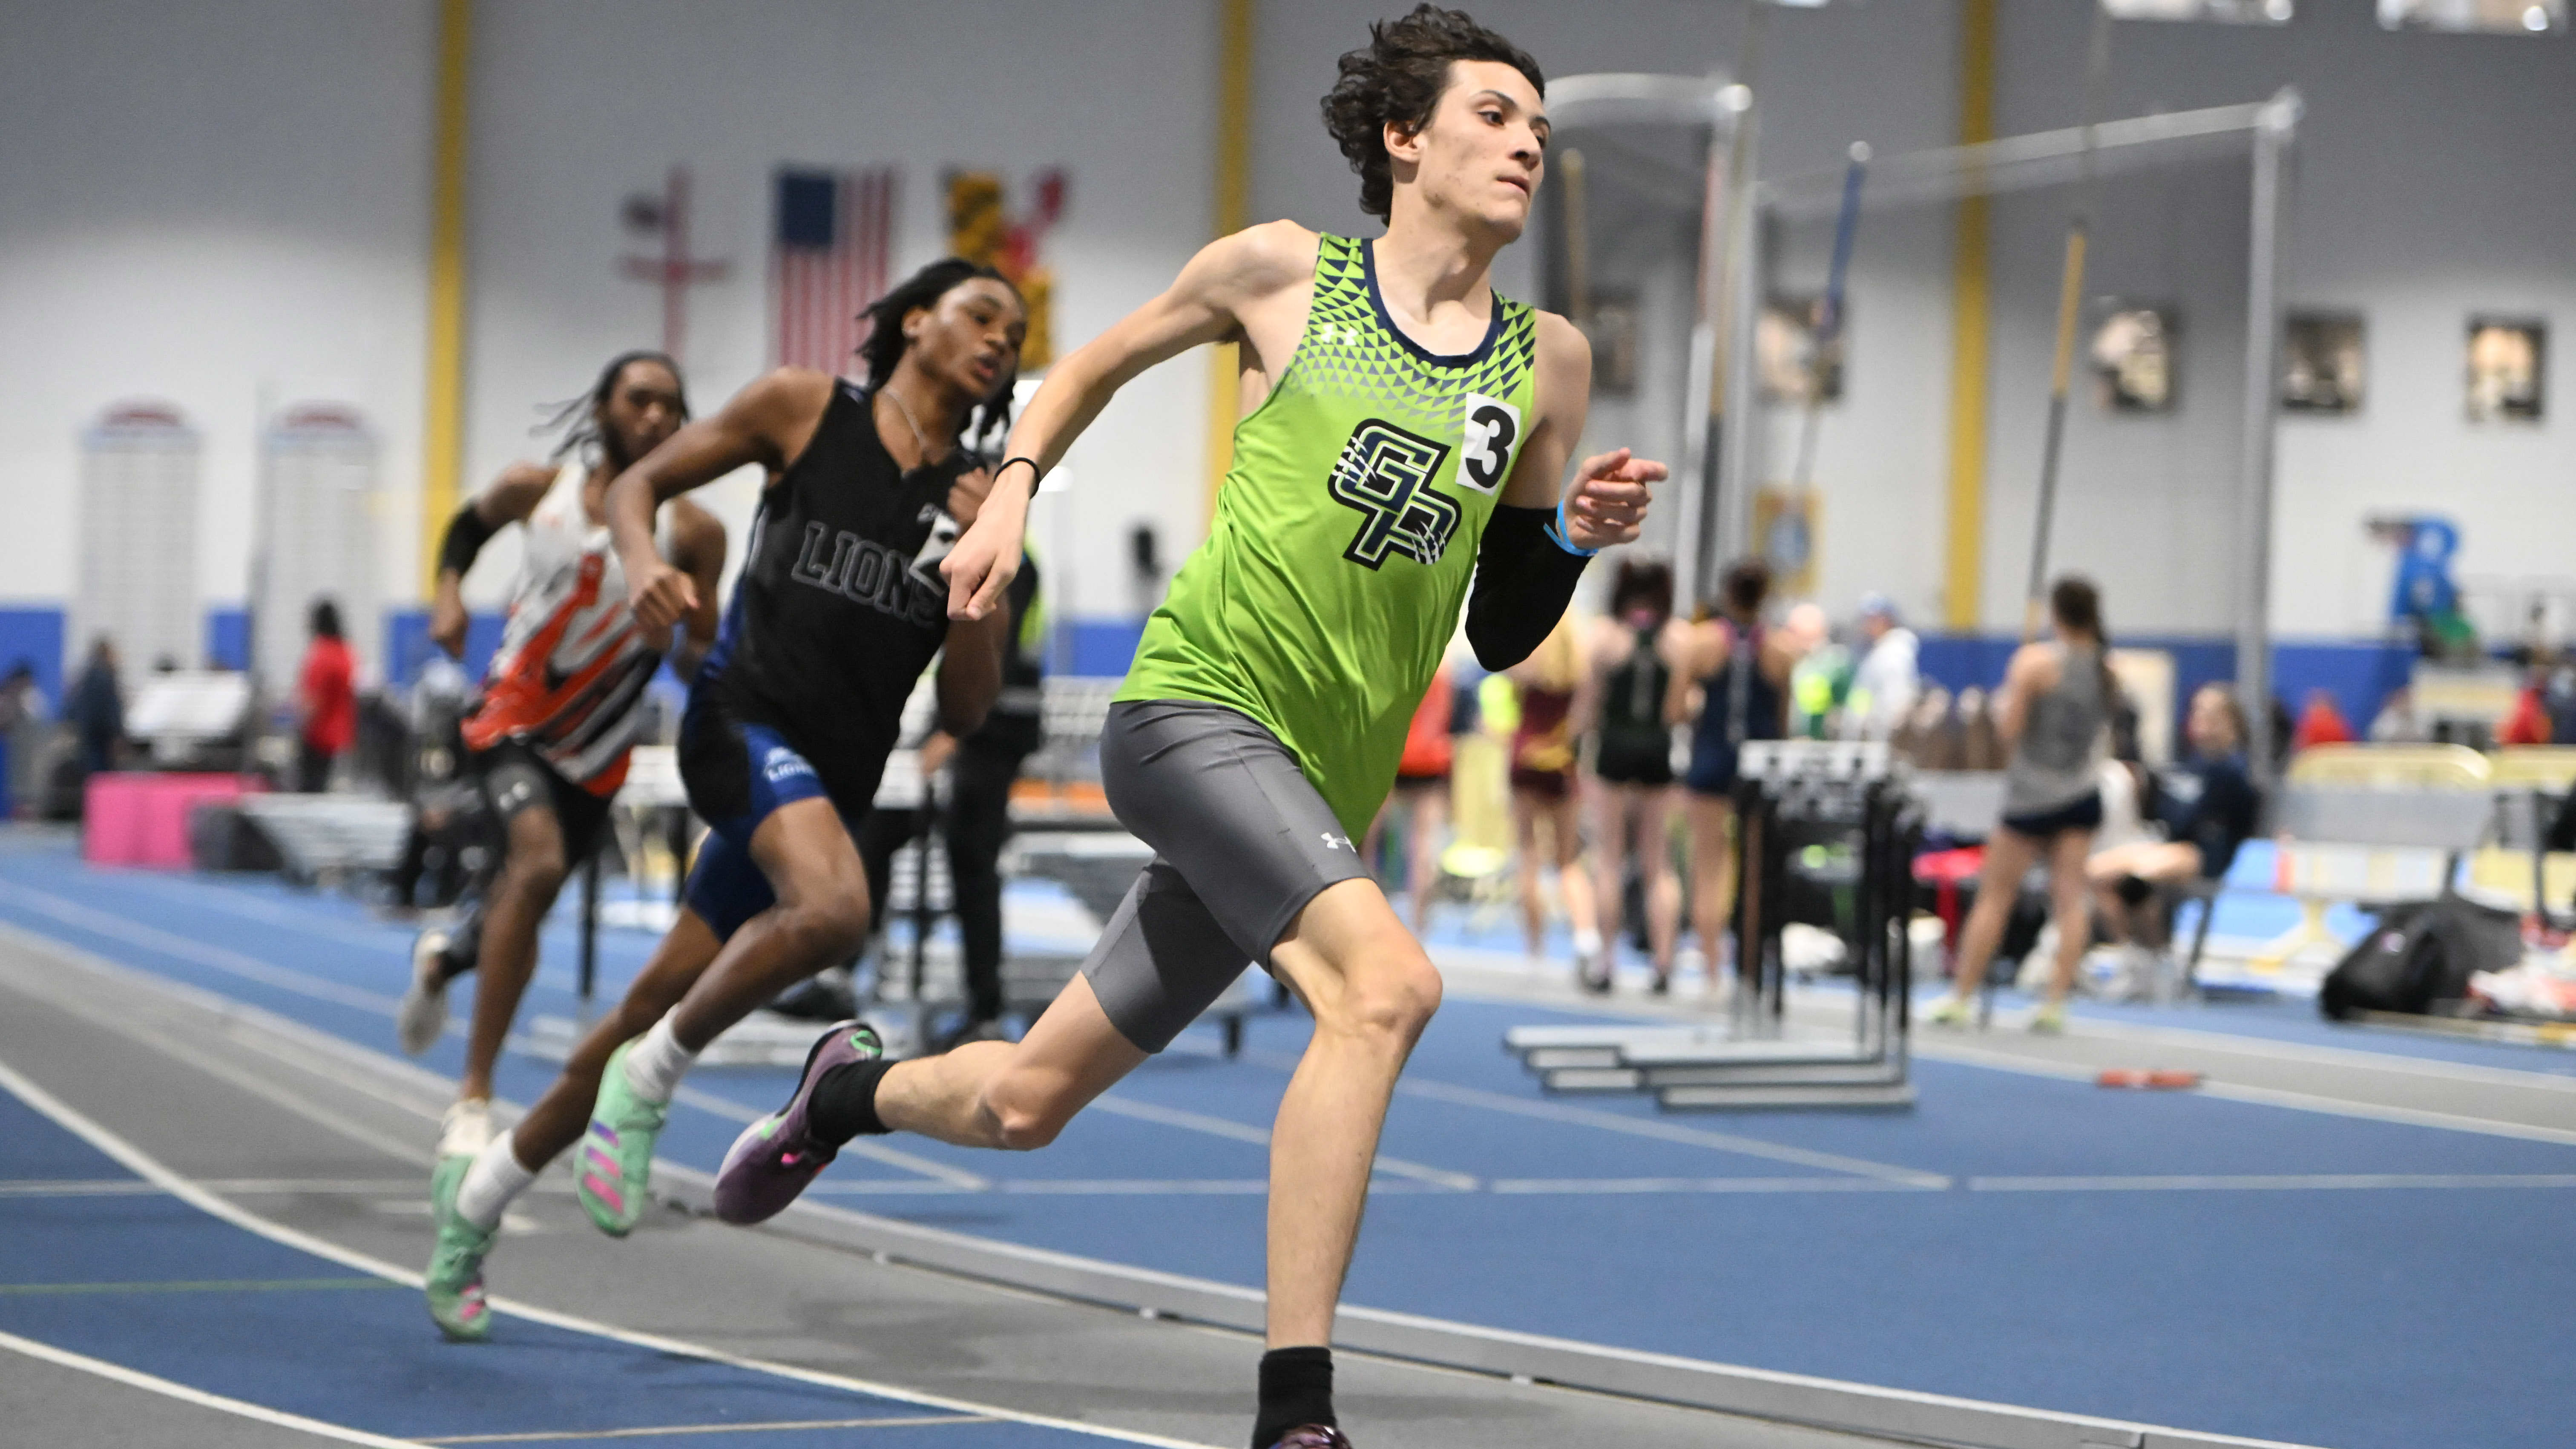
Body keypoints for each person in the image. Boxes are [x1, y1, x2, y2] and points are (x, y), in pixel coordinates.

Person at [713, 14, 1661, 1447]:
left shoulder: (1549, 364)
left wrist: (1573, 539)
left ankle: (843, 1095)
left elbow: (1501, 628)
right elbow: (1085, 367)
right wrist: (1017, 489)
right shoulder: (1283, 272)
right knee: (1385, 988)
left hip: (1310, 797)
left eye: (1539, 124)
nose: (1528, 140)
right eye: (1492, 114)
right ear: (1405, 139)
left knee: (1029, 1101)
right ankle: (1295, 1414)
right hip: (1192, 715)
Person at [420, 259, 1021, 1342]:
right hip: (738, 725)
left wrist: (986, 584)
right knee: (837, 913)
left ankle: (476, 1206)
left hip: (821, 784)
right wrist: (647, 564)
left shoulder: (980, 500)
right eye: (983, 314)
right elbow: (636, 485)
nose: (1001, 339)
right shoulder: (803, 407)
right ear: (917, 319)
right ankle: (648, 1091)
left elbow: (970, 709)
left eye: (1017, 333)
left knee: (643, 1005)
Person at [394, 353, 726, 1170]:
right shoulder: (532, 491)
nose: (654, 416)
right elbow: (463, 532)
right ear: (602, 408)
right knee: (536, 867)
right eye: (638, 399)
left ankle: (446, 956)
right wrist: (446, 598)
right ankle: (474, 1095)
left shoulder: (695, 533)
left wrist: (678, 627)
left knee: (524, 897)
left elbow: (698, 657)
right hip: (510, 719)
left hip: (600, 751)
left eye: (670, 407)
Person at [853, 552, 1047, 1047]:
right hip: (960, 724)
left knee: (971, 860)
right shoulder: (958, 550)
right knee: (879, 832)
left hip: (994, 731)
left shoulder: (1012, 560)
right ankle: (843, 974)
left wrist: (950, 737)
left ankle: (985, 1010)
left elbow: (996, 649)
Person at [1925, 577, 2117, 1034]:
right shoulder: (2108, 669)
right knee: (2071, 902)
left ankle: (1962, 996)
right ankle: (2054, 1004)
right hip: (2081, 793)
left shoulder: (2034, 664)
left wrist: (2013, 687)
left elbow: (2008, 730)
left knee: (1995, 896)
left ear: (2056, 612)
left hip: (2032, 797)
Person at [1673, 559, 1797, 993]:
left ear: (1727, 594)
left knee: (1708, 868)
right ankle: (1748, 971)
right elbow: (1784, 723)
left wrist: (1698, 711)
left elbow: (1674, 711)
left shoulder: (1701, 642)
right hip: (1758, 768)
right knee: (1755, 873)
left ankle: (1711, 975)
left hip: (1711, 760)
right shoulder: (1782, 649)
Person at [2088, 683, 2259, 977]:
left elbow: (2202, 820)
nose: (2201, 720)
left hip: (2203, 853)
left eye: (2212, 714)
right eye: (2197, 711)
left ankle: (2158, 959)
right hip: (2166, 843)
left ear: (2232, 722)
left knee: (2135, 880)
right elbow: (2167, 813)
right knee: (2093, 873)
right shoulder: (2190, 764)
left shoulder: (2234, 771)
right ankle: (2133, 952)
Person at [1580, 558, 1682, 992]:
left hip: (1615, 747)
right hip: (1657, 747)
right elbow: (1676, 710)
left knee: (1609, 858)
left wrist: (1578, 748)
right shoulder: (1679, 639)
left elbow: (1588, 703)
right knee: (1658, 862)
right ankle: (1663, 964)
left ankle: (1607, 964)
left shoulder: (1606, 635)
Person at [1509, 614, 1598, 970]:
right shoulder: (1579, 661)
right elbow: (1583, 718)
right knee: (1568, 860)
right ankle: (1585, 937)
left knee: (1528, 855)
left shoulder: (1527, 656)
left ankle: (1535, 949)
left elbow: (1513, 697)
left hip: (1526, 755)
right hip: (1561, 760)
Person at [1362, 660, 1454, 932]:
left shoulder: (1398, 665)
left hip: (1396, 756)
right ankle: (1419, 923)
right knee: (1424, 847)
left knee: (1368, 841)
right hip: (1429, 760)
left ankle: (1367, 915)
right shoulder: (1443, 672)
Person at [293, 600, 357, 792]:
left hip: (319, 737)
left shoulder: (323, 654)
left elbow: (312, 702)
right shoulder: (346, 652)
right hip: (342, 734)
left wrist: (298, 726)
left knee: (312, 791)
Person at [1846, 592, 1919, 740]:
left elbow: (1897, 697)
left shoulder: (1894, 652)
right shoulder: (1875, 650)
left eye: (1872, 619)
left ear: (1885, 620)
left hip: (1885, 733)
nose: (1866, 624)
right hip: (1869, 731)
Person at [69, 636, 123, 780]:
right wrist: (116, 732)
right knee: (99, 775)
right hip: (99, 737)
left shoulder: (88, 676)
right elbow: (105, 710)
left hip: (91, 735)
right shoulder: (102, 677)